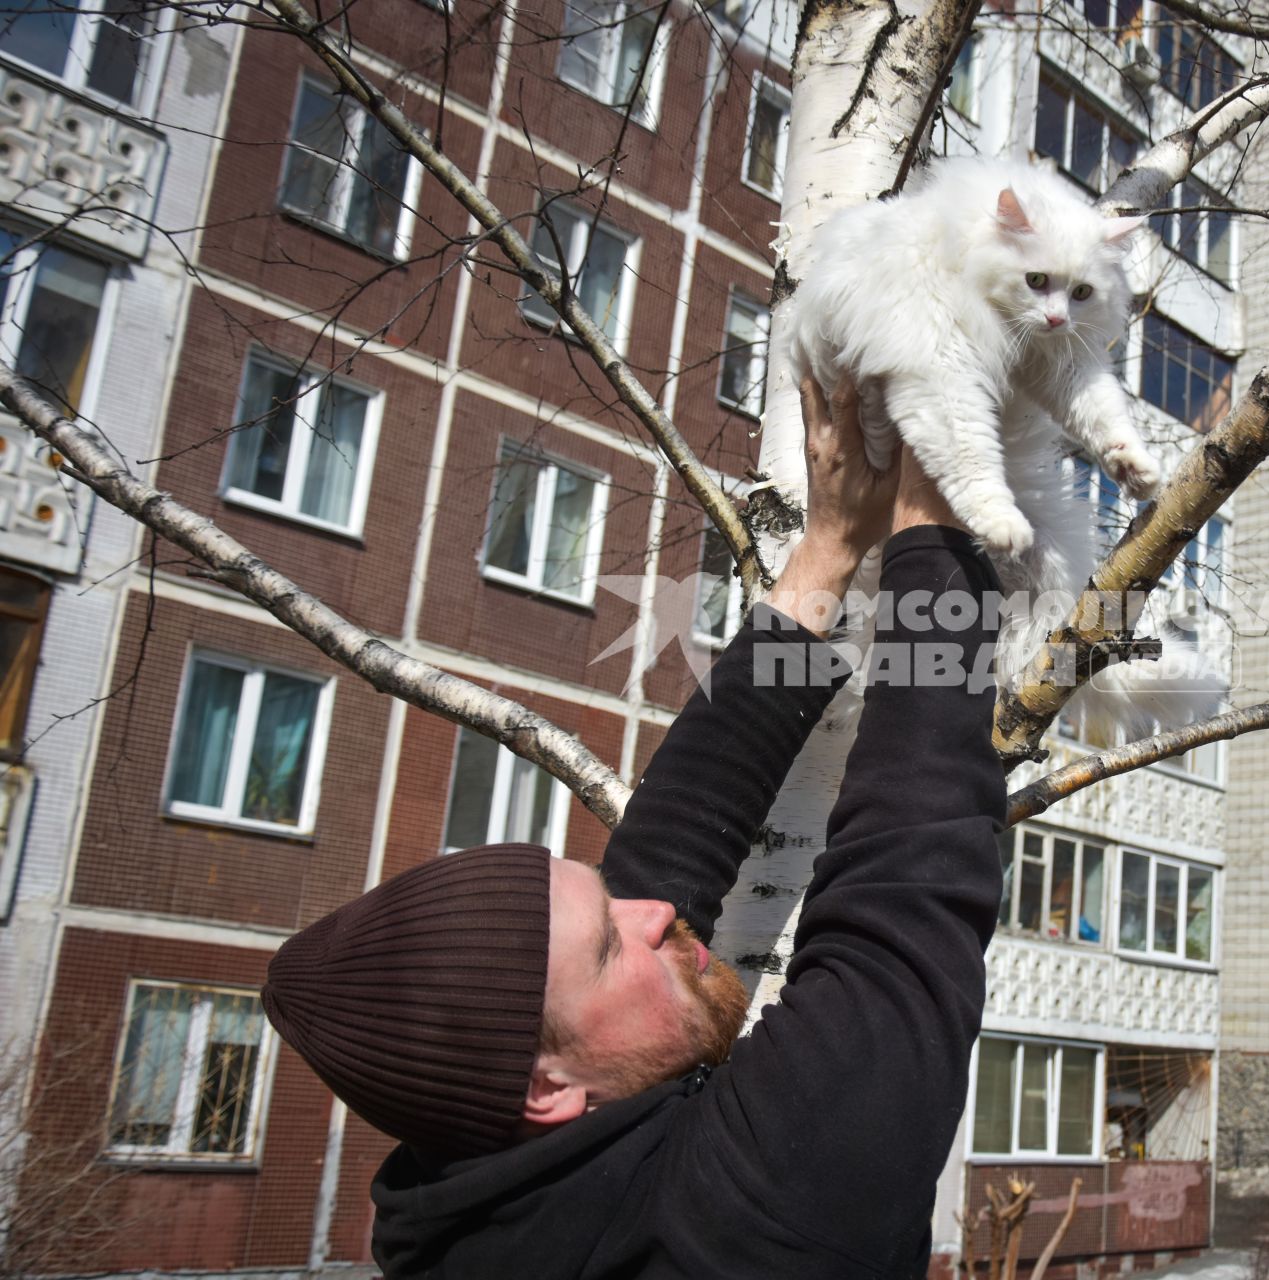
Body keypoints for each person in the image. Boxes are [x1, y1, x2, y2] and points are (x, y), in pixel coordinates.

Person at [260, 379, 1007, 1278]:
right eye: (611, 949)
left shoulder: (486, 1186)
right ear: (545, 1087)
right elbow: (905, 894)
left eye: (606, 902)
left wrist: (826, 554)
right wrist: (934, 528)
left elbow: (667, 849)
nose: (651, 915)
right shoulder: (736, 1229)